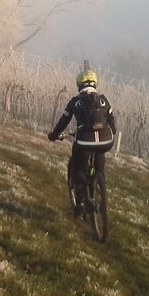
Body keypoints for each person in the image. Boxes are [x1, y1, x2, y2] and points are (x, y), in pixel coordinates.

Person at [47, 69, 117, 215]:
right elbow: (113, 124)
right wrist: (110, 131)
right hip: (105, 141)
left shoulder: (75, 102)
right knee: (99, 167)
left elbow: (64, 121)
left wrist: (54, 135)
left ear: (79, 85)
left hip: (85, 141)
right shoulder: (104, 100)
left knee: (79, 166)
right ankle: (101, 194)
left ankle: (81, 202)